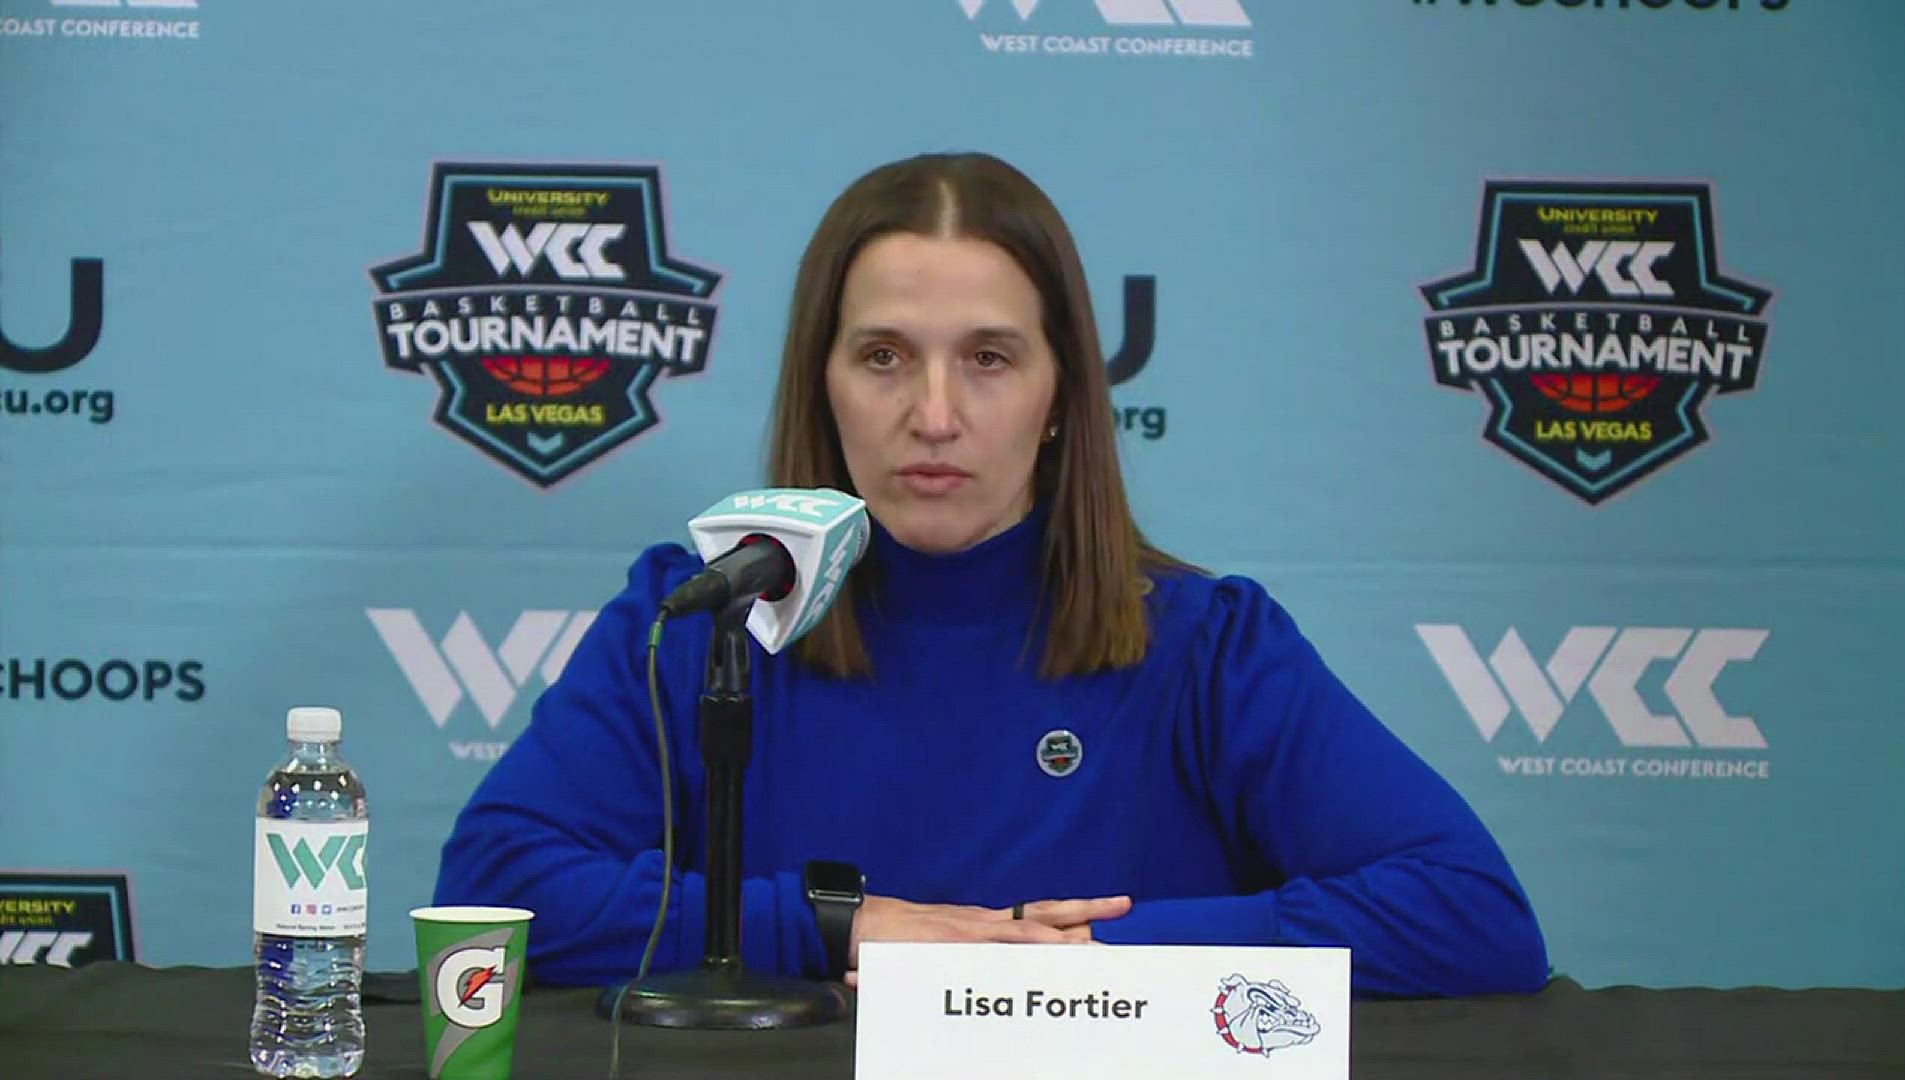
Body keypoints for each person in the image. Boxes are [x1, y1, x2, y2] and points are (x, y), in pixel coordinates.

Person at [433, 151, 1551, 999]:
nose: (933, 414)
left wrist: (1070, 959)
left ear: (1063, 394)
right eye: (883, 356)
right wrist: (842, 927)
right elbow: (492, 894)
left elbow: (1472, 915)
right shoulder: (707, 614)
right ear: (820, 380)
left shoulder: (1205, 644)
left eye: (988, 357)